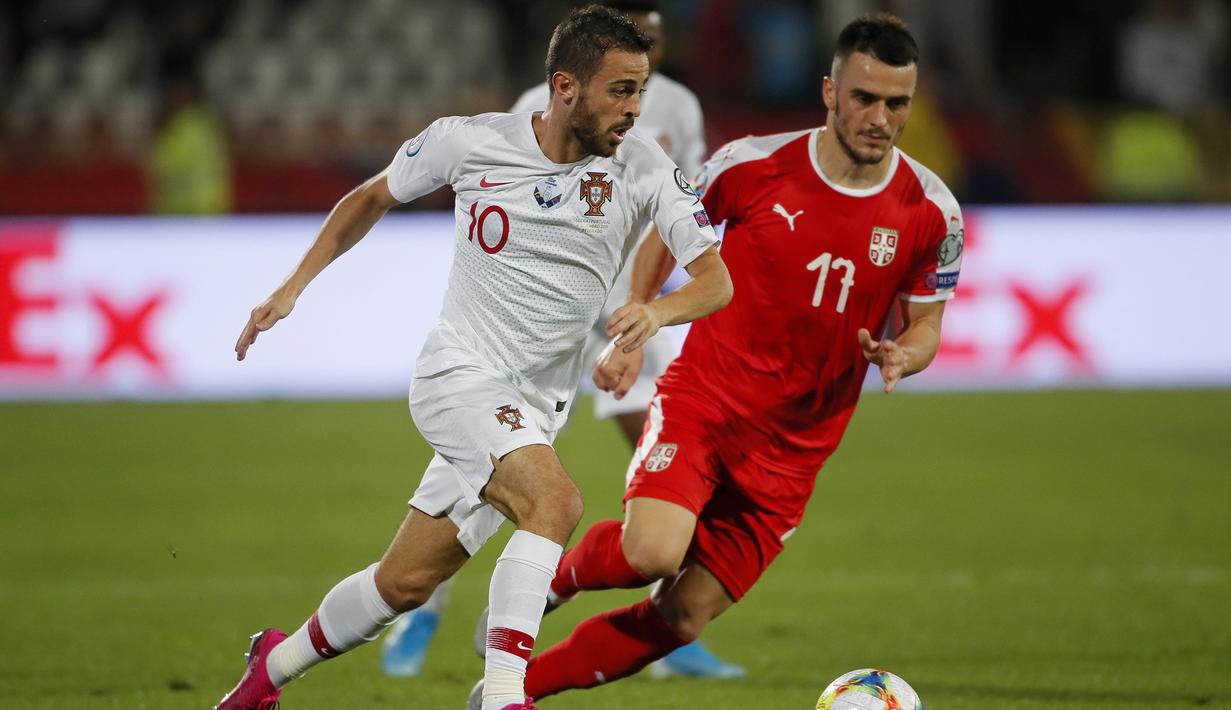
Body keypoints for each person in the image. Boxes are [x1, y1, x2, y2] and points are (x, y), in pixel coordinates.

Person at [213, 6, 732, 710]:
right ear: (565, 86)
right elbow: (370, 198)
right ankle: (504, 697)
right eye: (620, 91)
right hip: (458, 376)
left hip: (535, 409)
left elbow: (713, 280)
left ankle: (269, 669)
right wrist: (291, 290)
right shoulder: (468, 143)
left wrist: (651, 314)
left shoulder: (644, 168)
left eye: (640, 90)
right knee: (555, 502)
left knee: (402, 584)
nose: (634, 110)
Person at [481, 12, 964, 703]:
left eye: (896, 103)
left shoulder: (931, 212)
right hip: (707, 400)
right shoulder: (751, 165)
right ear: (829, 92)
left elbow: (926, 325)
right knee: (651, 552)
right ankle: (560, 578)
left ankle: (508, 694)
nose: (879, 118)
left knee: (683, 615)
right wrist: (636, 325)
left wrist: (900, 356)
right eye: (864, 98)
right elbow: (662, 235)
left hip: (795, 450)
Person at [381, 0, 744, 682]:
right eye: (642, 47)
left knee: (656, 457)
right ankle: (421, 604)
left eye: (659, 46)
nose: (651, 67)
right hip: (535, 331)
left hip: (624, 312)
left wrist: (647, 310)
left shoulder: (675, 112)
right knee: (484, 474)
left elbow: (683, 219)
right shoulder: (543, 106)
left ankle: (667, 618)